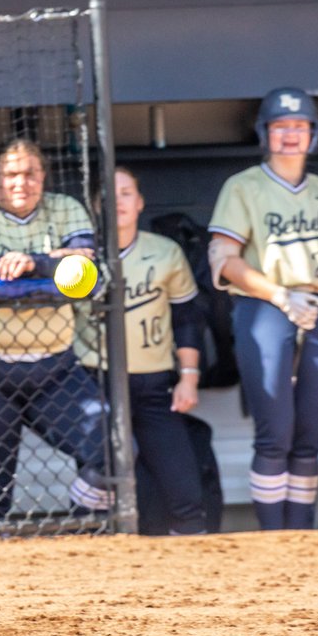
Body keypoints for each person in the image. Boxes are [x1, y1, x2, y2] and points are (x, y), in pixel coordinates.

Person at [207, 87, 318, 530]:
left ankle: (300, 534)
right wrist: (279, 296)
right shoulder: (243, 186)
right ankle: (273, 538)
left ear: (313, 133)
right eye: (281, 126)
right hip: (265, 306)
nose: (291, 135)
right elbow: (224, 260)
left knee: (309, 434)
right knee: (274, 433)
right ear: (265, 133)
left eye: (299, 126)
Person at [0, 138, 107, 524]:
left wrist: (30, 263)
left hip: (54, 368)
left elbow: (87, 272)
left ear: (43, 176)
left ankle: (84, 532)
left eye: (31, 173)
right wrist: (54, 265)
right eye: (12, 173)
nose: (22, 182)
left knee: (112, 450)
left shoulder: (65, 208)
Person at [76, 167, 208, 535]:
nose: (117, 201)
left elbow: (186, 319)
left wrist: (189, 377)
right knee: (102, 486)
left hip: (153, 385)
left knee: (184, 492)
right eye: (108, 194)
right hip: (95, 383)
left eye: (126, 193)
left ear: (140, 202)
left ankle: (191, 561)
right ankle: (88, 555)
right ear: (95, 206)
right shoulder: (80, 259)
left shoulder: (165, 251)